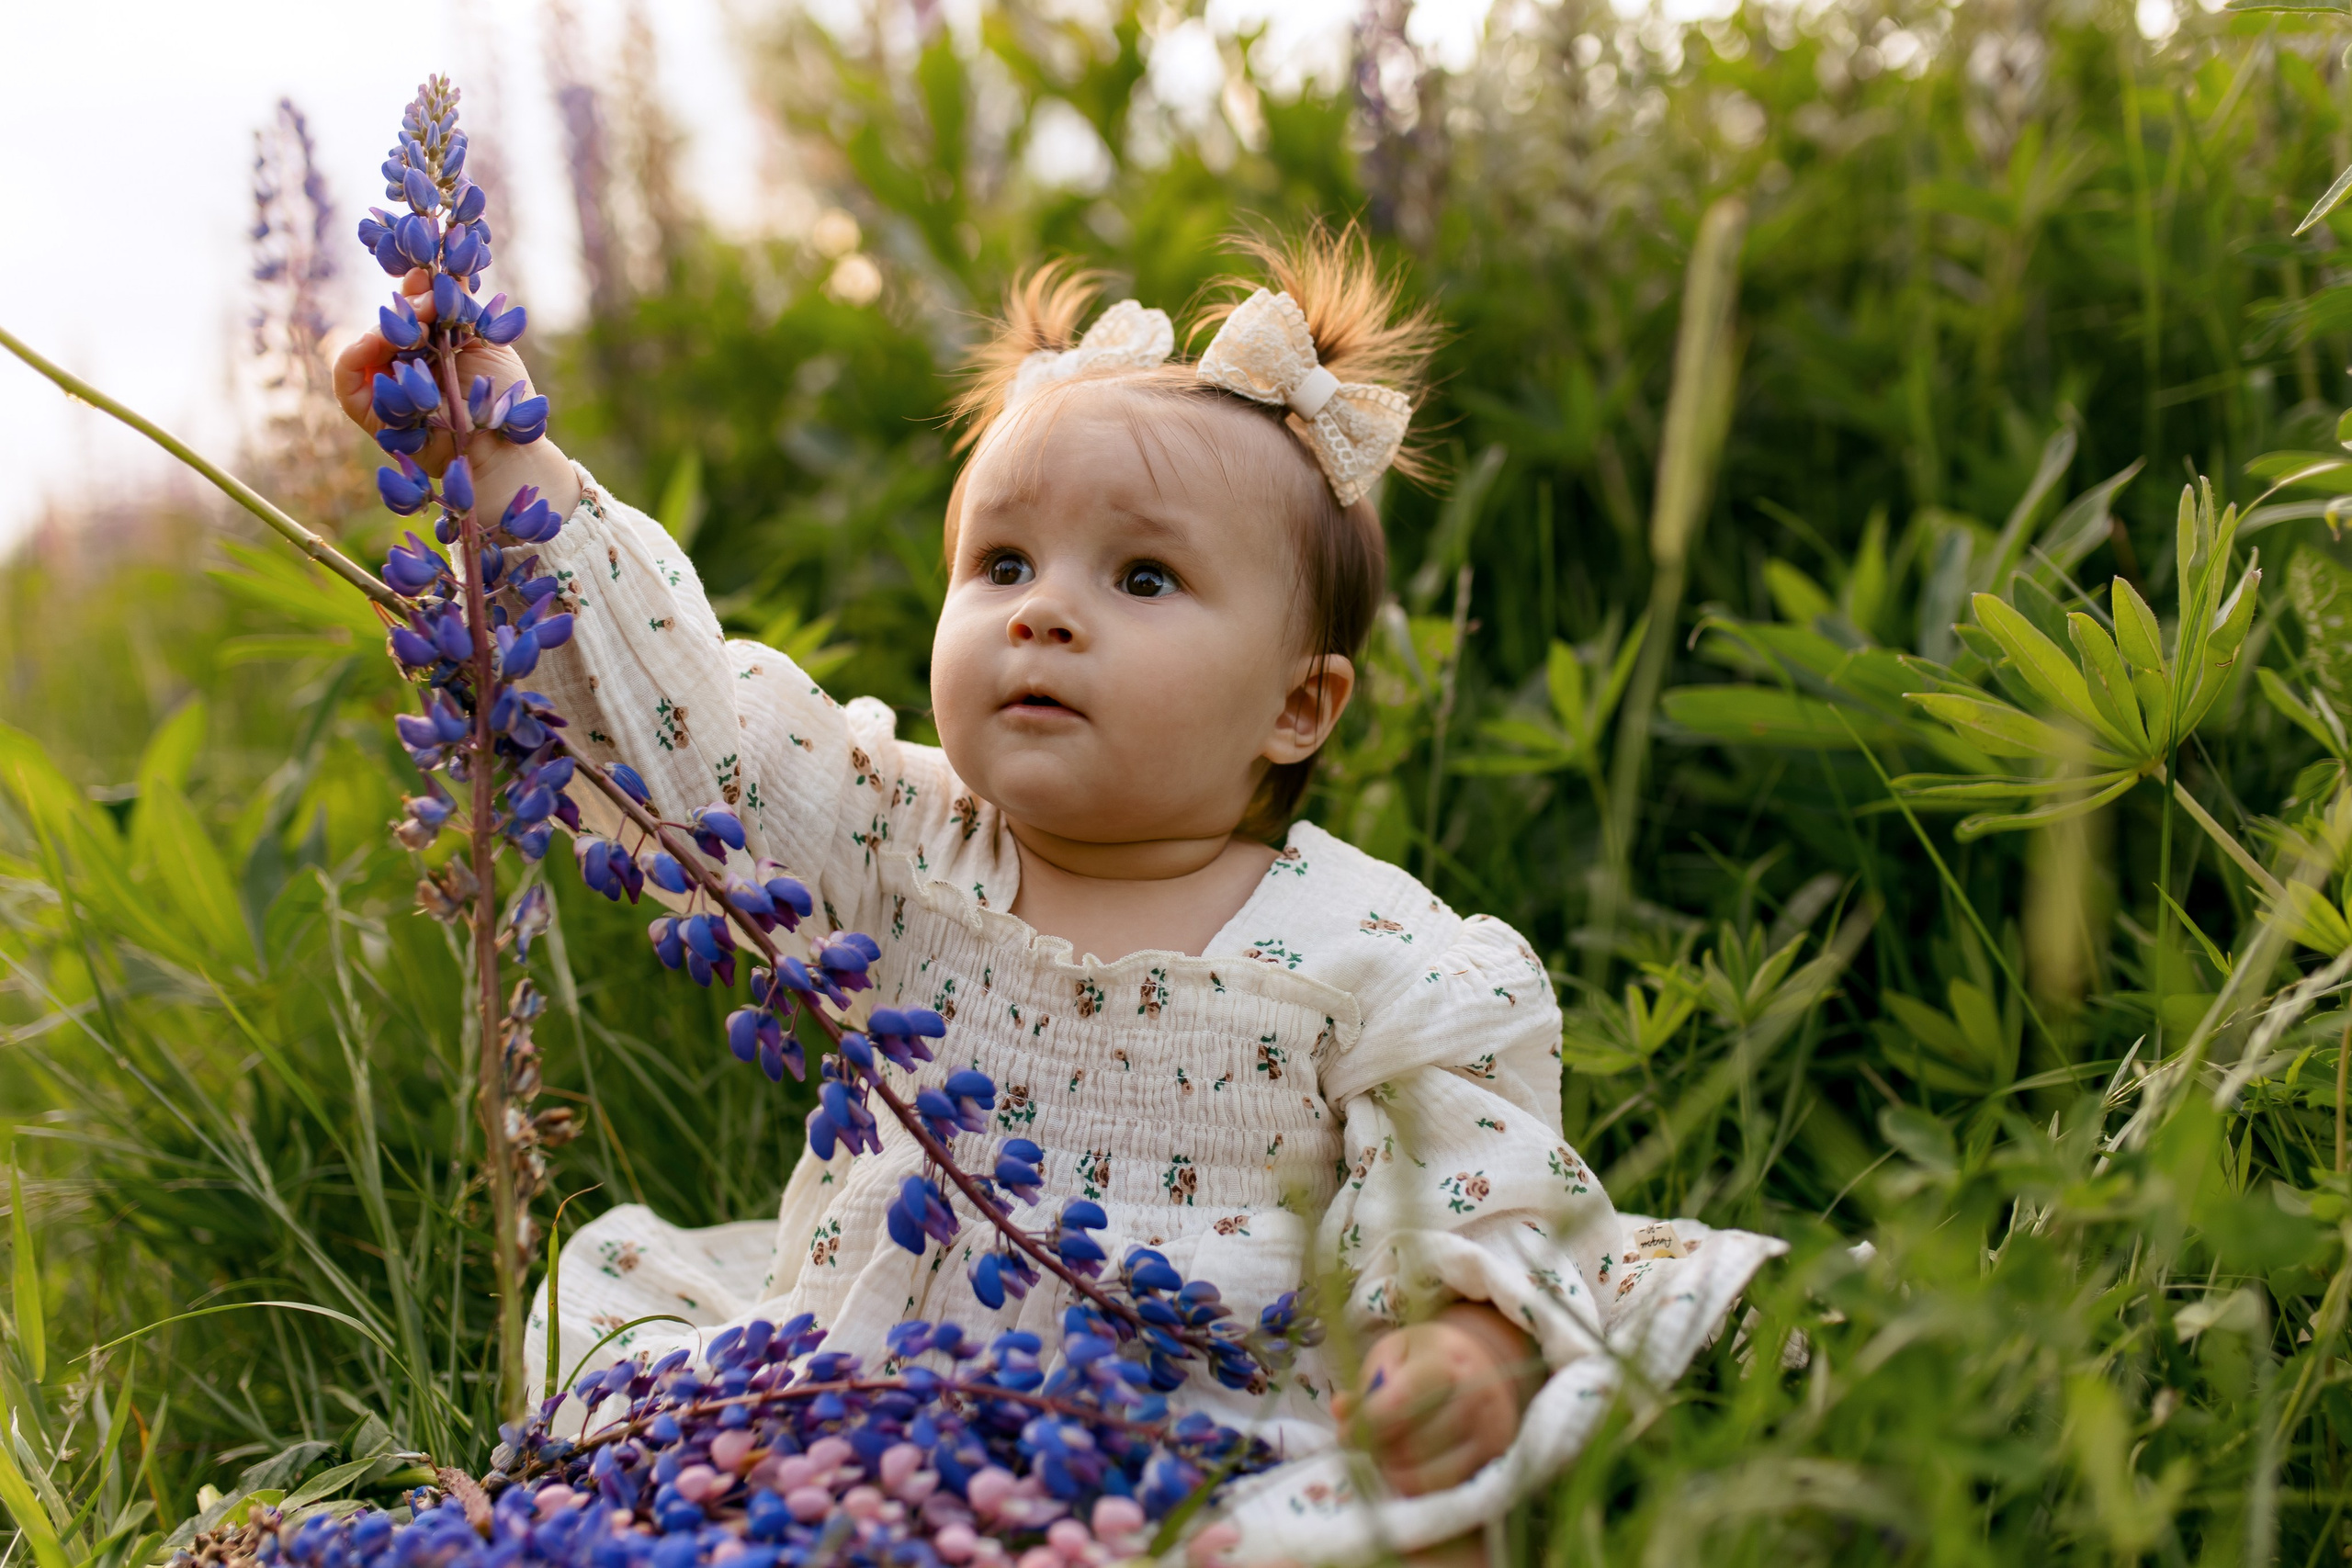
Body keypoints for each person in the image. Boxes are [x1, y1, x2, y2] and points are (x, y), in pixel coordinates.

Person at [334, 228, 1781, 1566]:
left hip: (1191, 1443)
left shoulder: (1376, 954)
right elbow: (687, 718)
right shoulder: (892, 846)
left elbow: (1471, 1186)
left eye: (1143, 575)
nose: (1043, 608)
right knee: (675, 1451)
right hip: (866, 1412)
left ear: (1300, 704)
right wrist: (496, 449)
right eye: (1004, 562)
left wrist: (1466, 1347)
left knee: (1391, 1519)